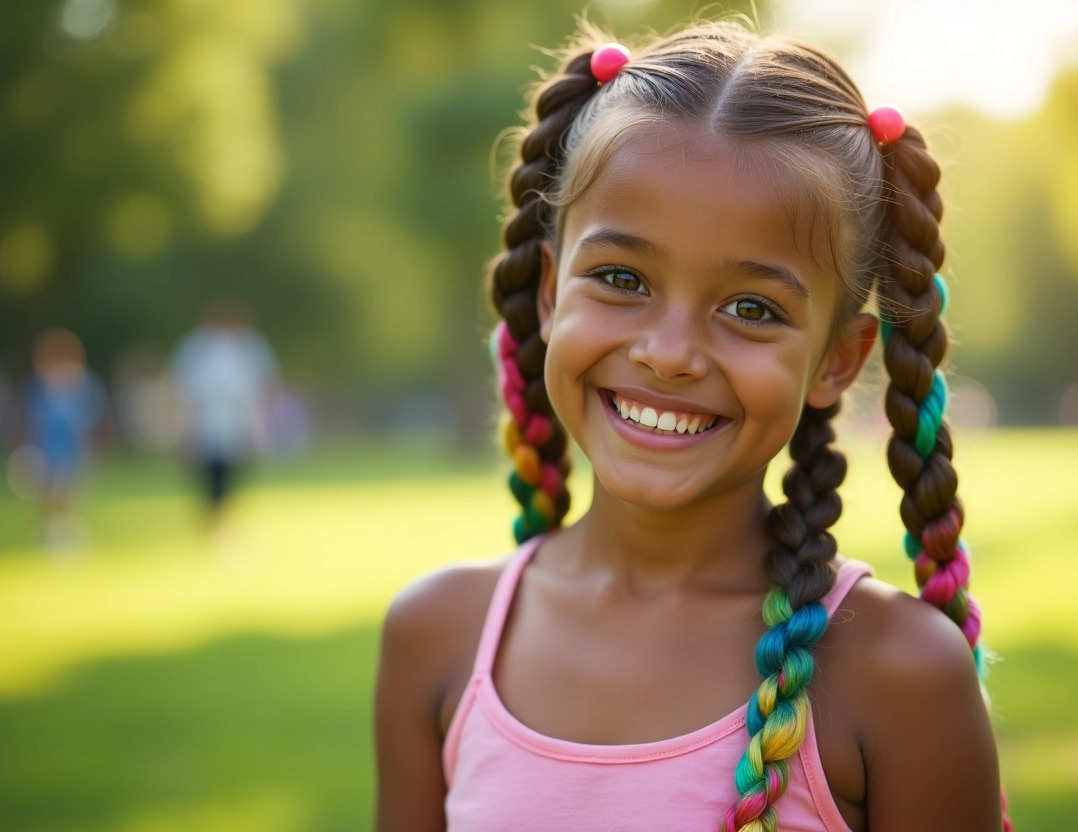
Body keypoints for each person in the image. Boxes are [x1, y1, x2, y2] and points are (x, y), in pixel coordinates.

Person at [375, 20, 1007, 832]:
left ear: (837, 362)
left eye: (752, 309)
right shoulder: (437, 637)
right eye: (621, 278)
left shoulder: (901, 675)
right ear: (548, 293)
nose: (670, 355)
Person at [171, 298, 279, 526]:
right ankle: (213, 519)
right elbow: (186, 390)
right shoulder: (196, 348)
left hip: (240, 421)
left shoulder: (251, 347)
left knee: (234, 474)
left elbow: (262, 387)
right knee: (209, 475)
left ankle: (224, 518)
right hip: (206, 422)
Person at [20, 328, 108, 550]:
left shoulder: (85, 384)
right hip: (46, 448)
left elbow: (96, 417)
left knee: (69, 493)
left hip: (76, 448)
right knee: (48, 495)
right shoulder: (38, 386)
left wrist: (99, 447)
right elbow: (30, 419)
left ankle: (67, 535)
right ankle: (52, 534)